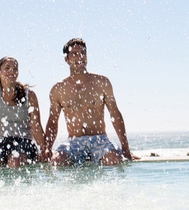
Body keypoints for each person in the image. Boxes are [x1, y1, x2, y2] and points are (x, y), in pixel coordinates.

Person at [44, 38, 138, 166]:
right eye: (74, 54)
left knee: (114, 160)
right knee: (57, 162)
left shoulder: (102, 83)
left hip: (100, 140)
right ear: (66, 59)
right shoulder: (58, 89)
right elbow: (52, 121)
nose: (80, 57)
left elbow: (115, 114)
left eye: (83, 53)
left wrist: (125, 148)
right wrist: (47, 148)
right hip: (74, 142)